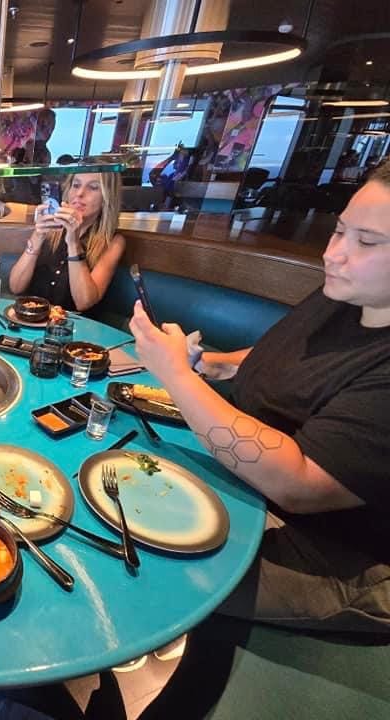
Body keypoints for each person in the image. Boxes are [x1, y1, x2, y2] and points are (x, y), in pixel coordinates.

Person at [129, 162, 390, 633]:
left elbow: (300, 482)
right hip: (248, 486)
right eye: (339, 231)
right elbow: (280, 358)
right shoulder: (349, 294)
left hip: (328, 553)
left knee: (132, 558)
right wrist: (210, 363)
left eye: (367, 242)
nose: (334, 254)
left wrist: (172, 373)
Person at [8, 171, 124, 312]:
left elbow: (84, 302)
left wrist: (73, 242)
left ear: (107, 197)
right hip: (31, 319)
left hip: (73, 327)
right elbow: (15, 286)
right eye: (75, 185)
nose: (80, 193)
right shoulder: (50, 225)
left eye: (93, 187)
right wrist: (38, 236)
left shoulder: (114, 242)